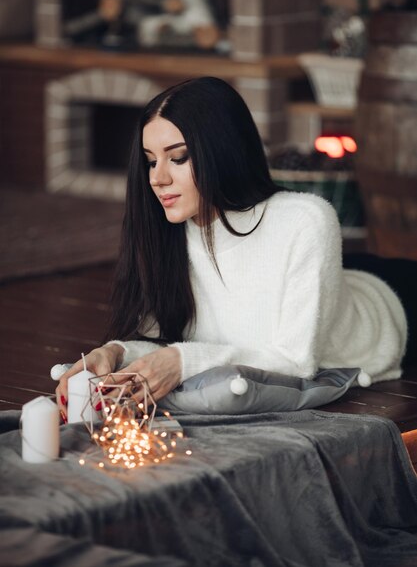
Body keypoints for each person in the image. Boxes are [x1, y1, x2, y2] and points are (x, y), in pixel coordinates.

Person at [56, 77, 408, 420]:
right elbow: (165, 342)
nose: (157, 178)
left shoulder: (305, 219)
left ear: (221, 152)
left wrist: (182, 362)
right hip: (335, 280)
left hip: (393, 308)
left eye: (178, 158)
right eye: (151, 160)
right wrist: (116, 352)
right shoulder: (168, 231)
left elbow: (295, 362)